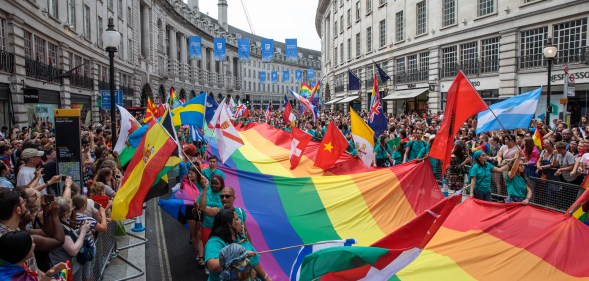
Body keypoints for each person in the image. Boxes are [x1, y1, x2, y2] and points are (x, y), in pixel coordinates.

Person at [205, 209, 271, 281]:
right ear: (230, 224)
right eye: (236, 219)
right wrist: (236, 254)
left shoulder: (240, 237)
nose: (240, 221)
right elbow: (213, 266)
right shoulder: (215, 242)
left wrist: (266, 277)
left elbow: (254, 260)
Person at [50, 197, 92, 281]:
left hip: (71, 267)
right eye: (71, 209)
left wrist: (80, 230)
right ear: (66, 213)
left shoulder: (62, 223)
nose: (73, 210)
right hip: (65, 270)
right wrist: (83, 231)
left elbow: (70, 235)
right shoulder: (60, 229)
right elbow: (73, 250)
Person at [0, 230, 69, 281]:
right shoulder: (8, 278)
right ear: (24, 250)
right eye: (32, 242)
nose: (35, 245)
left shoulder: (18, 266)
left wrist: (49, 274)